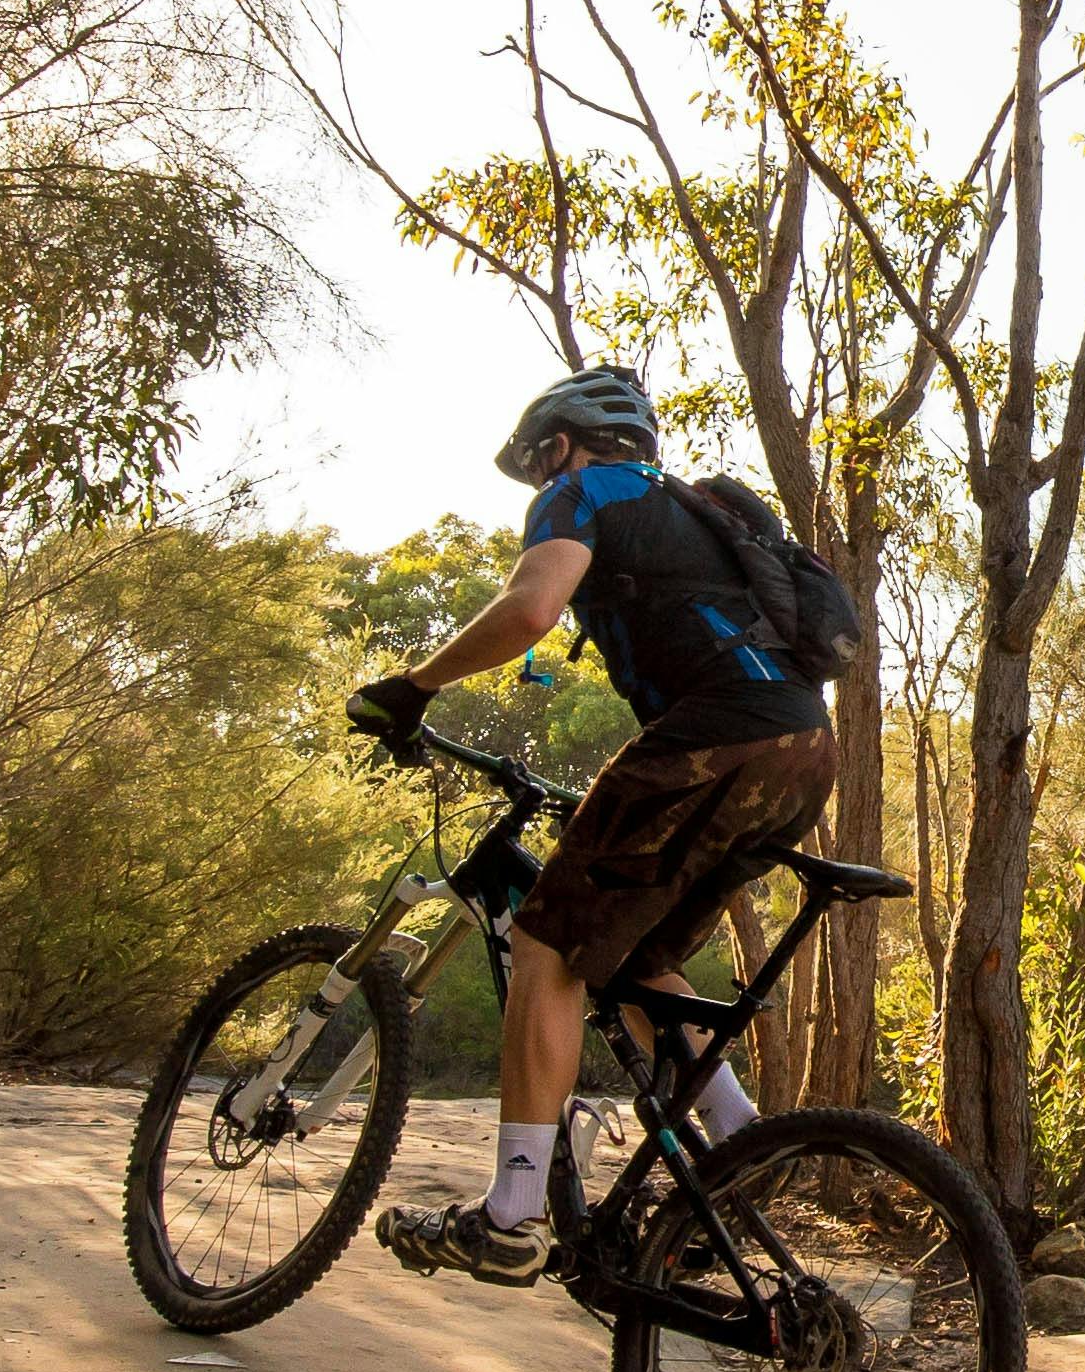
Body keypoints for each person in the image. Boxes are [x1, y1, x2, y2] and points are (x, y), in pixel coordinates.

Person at [344, 365, 833, 1283]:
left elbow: (531, 609)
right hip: (803, 749)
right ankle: (740, 1142)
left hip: (715, 739)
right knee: (635, 958)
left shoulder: (584, 491)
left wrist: (413, 690)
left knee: (546, 943)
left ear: (562, 444)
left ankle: (512, 1212)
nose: (537, 485)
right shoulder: (696, 515)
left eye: (537, 464)